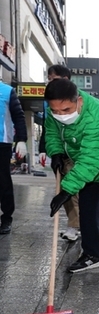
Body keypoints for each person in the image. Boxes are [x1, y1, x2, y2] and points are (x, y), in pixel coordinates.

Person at [44, 78, 99, 285]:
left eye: (66, 110)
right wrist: (56, 152)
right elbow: (52, 131)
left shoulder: (95, 117)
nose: (61, 115)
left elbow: (90, 160)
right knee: (87, 209)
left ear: (79, 101)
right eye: (56, 111)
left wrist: (66, 189)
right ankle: (91, 255)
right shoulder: (54, 110)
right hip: (86, 162)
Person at [39, 64, 81, 241]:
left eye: (53, 79)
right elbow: (49, 128)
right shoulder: (49, 101)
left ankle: (78, 225)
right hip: (61, 152)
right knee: (65, 189)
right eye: (49, 79)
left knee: (73, 190)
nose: (51, 83)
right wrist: (48, 151)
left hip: (78, 154)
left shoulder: (77, 100)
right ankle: (74, 224)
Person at [0, 81, 27, 234]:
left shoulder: (7, 91)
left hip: (2, 142)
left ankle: (6, 217)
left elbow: (18, 116)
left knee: (3, 181)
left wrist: (21, 139)